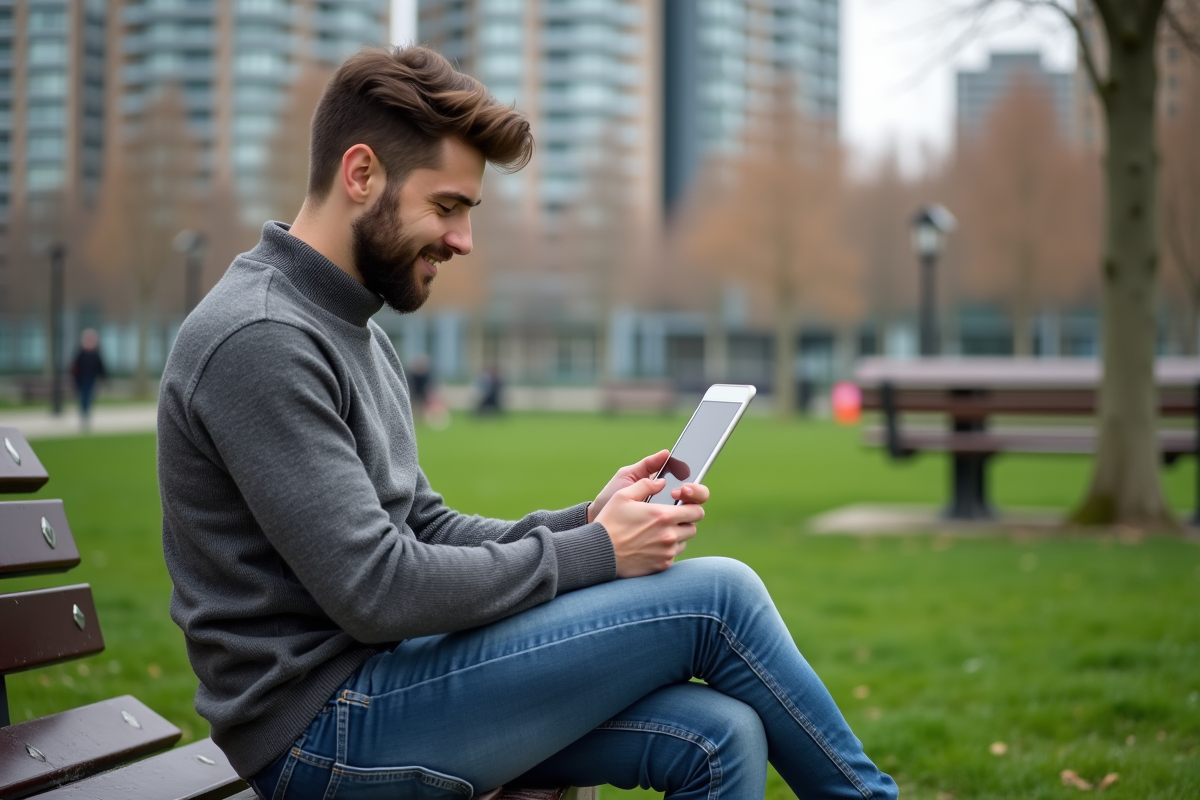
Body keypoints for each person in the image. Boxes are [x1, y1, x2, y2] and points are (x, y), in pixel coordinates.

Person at [157, 46, 897, 800]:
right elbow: (377, 589)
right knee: (720, 597)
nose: (462, 240)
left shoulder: (351, 328)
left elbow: (423, 525)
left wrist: (587, 521)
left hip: (387, 684)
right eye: (447, 206)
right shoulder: (263, 336)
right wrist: (599, 553)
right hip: (321, 734)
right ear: (361, 174)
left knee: (720, 734)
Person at [71, 328, 106, 430]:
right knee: (84, 397)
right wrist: (75, 379)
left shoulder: (95, 354)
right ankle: (84, 413)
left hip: (91, 379)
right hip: (81, 380)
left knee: (89, 396)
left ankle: (86, 413)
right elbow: (74, 368)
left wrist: (104, 378)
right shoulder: (81, 353)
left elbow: (101, 367)